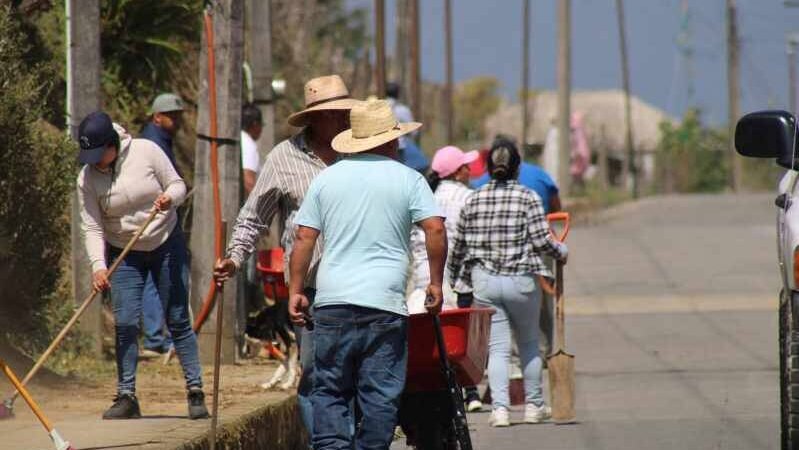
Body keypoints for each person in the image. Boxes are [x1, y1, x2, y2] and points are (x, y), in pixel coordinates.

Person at [288, 99, 447, 450]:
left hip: (332, 303)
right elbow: (434, 230)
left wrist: (296, 290)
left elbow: (304, 237)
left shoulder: (326, 179)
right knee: (380, 395)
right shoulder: (409, 179)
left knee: (330, 390)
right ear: (390, 141)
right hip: (385, 304)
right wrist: (435, 283)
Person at [212, 75, 358, 437]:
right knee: (315, 375)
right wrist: (234, 257)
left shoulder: (360, 152)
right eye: (333, 113)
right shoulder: (283, 158)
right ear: (313, 118)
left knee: (355, 375)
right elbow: (253, 216)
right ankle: (326, 444)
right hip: (308, 290)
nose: (341, 119)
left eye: (344, 112)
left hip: (359, 285)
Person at [76, 111, 208, 420]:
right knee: (125, 323)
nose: (95, 162)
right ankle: (126, 396)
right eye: (90, 156)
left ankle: (195, 390)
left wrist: (169, 199)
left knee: (177, 319)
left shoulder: (146, 151)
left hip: (165, 243)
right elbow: (92, 227)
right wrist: (98, 266)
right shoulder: (86, 179)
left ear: (113, 144)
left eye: (100, 155)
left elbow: (177, 184)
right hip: (125, 253)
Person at [448, 138, 568, 427]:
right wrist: (562, 253)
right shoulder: (527, 197)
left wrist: (455, 279)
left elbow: (459, 248)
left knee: (498, 348)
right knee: (528, 344)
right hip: (521, 282)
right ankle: (534, 406)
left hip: (485, 283)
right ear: (516, 168)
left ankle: (500, 410)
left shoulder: (473, 198)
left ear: (489, 169)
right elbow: (542, 241)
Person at [407, 145, 483, 412]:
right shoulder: (468, 197)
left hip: (420, 280)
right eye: (465, 166)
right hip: (451, 279)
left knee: (430, 344)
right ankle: (470, 391)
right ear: (458, 172)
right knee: (456, 343)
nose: (470, 171)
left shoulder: (425, 196)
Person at [473, 136, 562, 357]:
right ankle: (543, 350)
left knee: (500, 336)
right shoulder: (538, 177)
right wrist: (560, 251)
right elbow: (555, 206)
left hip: (492, 260)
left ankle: (511, 356)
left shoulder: (479, 184)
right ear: (517, 161)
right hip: (537, 250)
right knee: (541, 305)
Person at [137, 92, 186, 358]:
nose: (177, 121)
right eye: (172, 116)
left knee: (155, 280)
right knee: (157, 279)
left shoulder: (161, 140)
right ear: (158, 117)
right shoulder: (152, 142)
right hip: (156, 222)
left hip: (159, 218)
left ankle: (158, 336)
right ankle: (157, 338)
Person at [386, 81, 428, 171]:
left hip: (380, 147)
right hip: (398, 147)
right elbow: (414, 132)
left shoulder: (379, 107)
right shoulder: (402, 110)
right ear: (398, 93)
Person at [240, 103, 263, 196]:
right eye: (261, 125)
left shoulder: (240, 139)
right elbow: (249, 182)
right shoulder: (249, 145)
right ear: (255, 124)